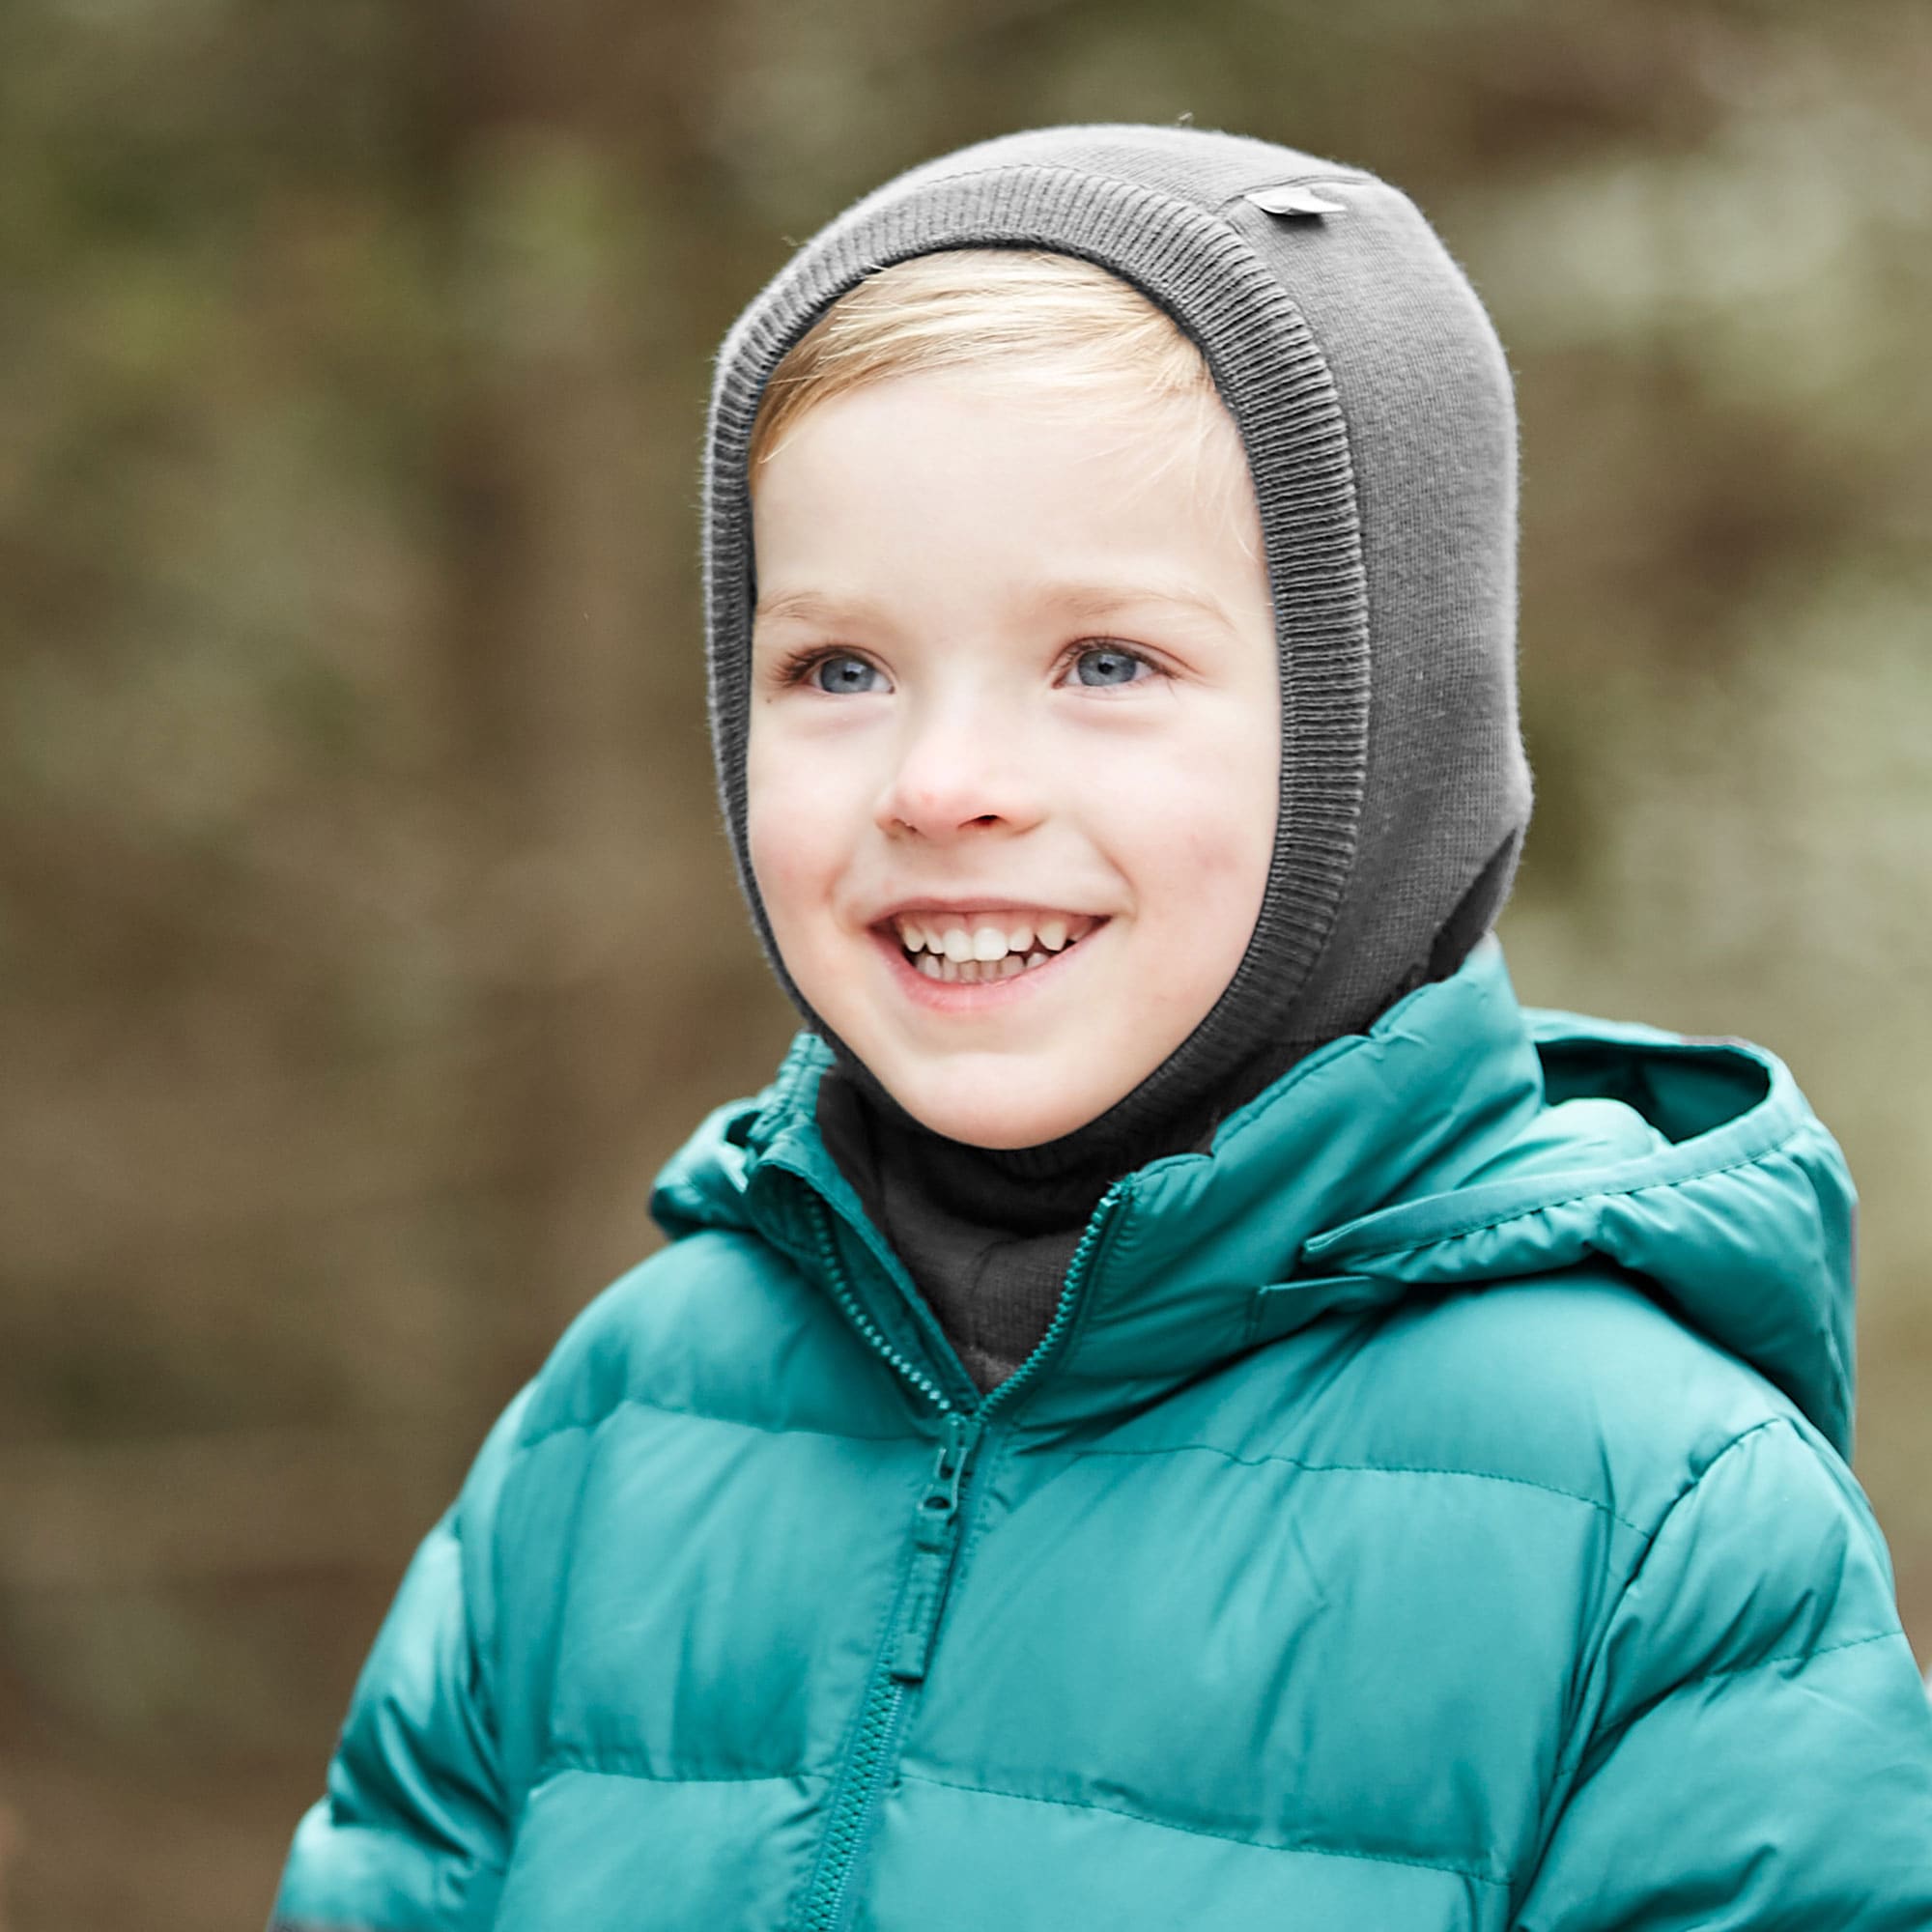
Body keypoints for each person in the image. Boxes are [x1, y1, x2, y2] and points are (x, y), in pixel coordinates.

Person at [269, 124, 1932, 1930]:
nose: (947, 780)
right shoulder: (618, 1423)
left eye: (1107, 665)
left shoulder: (1660, 1518)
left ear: (1385, 741)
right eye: (838, 669)